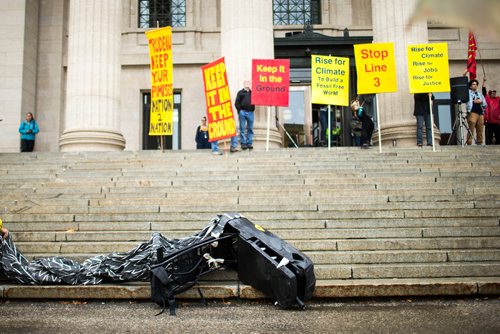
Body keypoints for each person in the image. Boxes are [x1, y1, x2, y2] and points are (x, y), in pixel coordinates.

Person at [235, 81, 255, 150]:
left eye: (249, 83)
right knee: (242, 128)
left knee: (250, 129)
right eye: (246, 83)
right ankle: (243, 143)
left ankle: (249, 143)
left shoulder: (252, 93)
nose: (247, 84)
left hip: (250, 112)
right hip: (242, 112)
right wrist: (240, 111)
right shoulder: (240, 92)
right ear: (243, 84)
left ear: (250, 84)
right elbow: (236, 103)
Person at [466, 79, 487, 145]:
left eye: (476, 84)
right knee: (471, 129)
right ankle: (469, 143)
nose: (475, 86)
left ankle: (479, 143)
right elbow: (467, 100)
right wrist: (473, 101)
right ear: (470, 86)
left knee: (480, 129)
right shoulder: (468, 93)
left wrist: (481, 101)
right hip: (472, 112)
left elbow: (485, 104)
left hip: (480, 113)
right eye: (473, 84)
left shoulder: (480, 94)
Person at [482, 78, 500, 145]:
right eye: (492, 93)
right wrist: (484, 82)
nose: (494, 94)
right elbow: (484, 91)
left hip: (497, 121)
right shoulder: (487, 99)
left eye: (494, 93)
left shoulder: (498, 99)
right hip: (489, 121)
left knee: (498, 137)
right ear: (490, 94)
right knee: (488, 138)